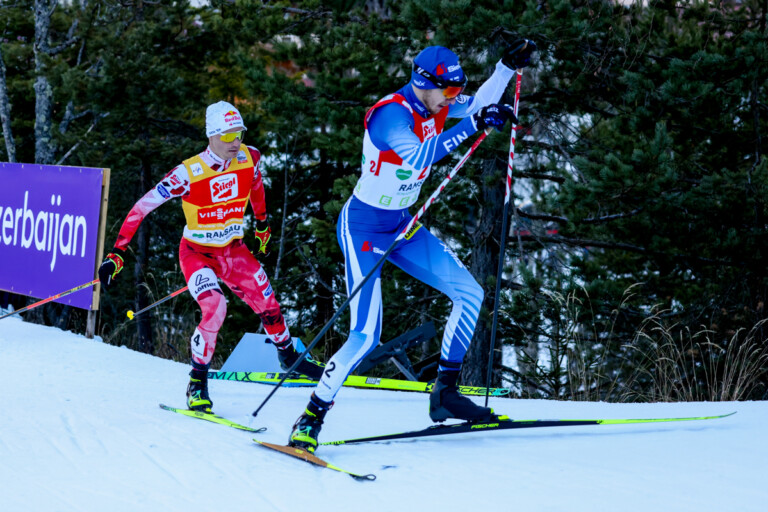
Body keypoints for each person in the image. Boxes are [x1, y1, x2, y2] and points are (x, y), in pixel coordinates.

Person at [288, 40, 537, 452]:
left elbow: (478, 105)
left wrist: (505, 68)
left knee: (470, 293)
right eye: (449, 91)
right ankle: (310, 417)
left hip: (403, 225)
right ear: (424, 82)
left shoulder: (437, 105)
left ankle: (445, 393)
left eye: (456, 92)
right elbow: (419, 158)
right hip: (364, 229)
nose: (454, 99)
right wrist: (474, 124)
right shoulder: (390, 116)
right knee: (366, 335)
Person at [98, 101, 325, 413]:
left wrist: (261, 226)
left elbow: (256, 187)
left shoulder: (250, 156)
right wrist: (117, 253)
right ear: (212, 136)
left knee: (269, 303)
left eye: (239, 134)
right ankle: (197, 382)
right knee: (215, 306)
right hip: (197, 254)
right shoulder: (187, 173)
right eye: (229, 134)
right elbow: (142, 207)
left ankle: (289, 355)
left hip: (233, 252)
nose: (236, 142)